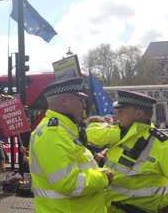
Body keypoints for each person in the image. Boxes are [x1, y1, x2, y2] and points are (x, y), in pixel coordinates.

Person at [91, 90, 168, 212]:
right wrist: (116, 133)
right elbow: (90, 133)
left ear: (139, 114)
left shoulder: (162, 144)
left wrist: (161, 204)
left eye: (121, 111)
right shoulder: (120, 133)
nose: (115, 114)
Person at [29, 77, 113, 212]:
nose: (84, 106)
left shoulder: (64, 130)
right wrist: (104, 177)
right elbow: (69, 183)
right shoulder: (53, 134)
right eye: (80, 100)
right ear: (65, 101)